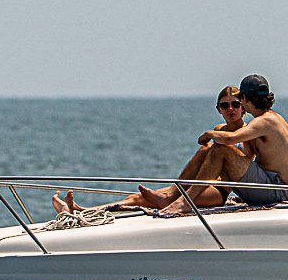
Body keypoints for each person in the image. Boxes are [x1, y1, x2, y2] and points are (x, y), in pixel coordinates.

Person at [57, 86, 252, 216]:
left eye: (235, 104)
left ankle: (172, 195)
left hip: (218, 191)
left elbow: (246, 167)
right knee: (138, 198)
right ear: (218, 109)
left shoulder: (248, 133)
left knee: (157, 200)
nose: (230, 109)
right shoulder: (219, 130)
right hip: (196, 185)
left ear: (243, 108)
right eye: (225, 105)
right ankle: (83, 211)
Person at [167, 73, 288, 212]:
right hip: (277, 188)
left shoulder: (263, 121)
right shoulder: (278, 119)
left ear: (244, 99)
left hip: (273, 191)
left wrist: (209, 134)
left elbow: (231, 139)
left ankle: (185, 202)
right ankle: (172, 195)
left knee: (221, 149)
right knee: (211, 150)